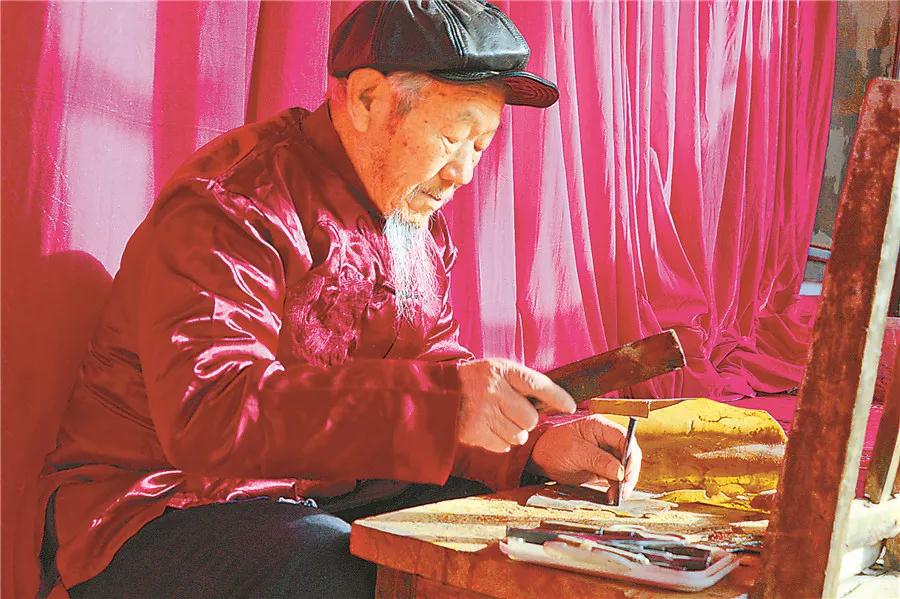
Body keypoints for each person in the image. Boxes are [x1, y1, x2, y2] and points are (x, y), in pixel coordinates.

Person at [39, 1, 641, 597]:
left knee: (509, 531)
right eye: (451, 137)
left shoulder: (411, 218)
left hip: (322, 490)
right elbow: (212, 410)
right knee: (333, 569)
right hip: (162, 505)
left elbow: (434, 364)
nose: (462, 172)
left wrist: (538, 440)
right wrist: (442, 408)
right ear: (367, 98)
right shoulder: (234, 204)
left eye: (480, 145)